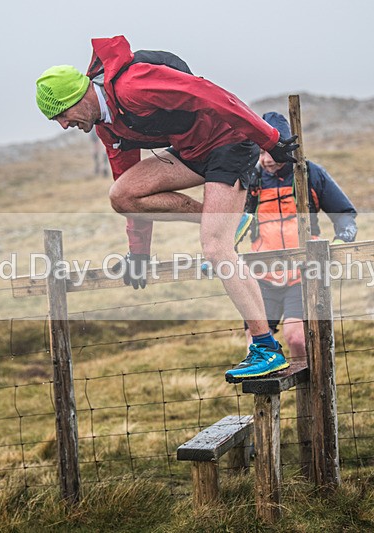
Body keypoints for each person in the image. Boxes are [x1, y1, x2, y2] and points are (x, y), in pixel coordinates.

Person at [35, 35, 299, 382]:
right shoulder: (108, 127)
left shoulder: (133, 85)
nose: (64, 125)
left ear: (76, 97)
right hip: (191, 152)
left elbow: (211, 94)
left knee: (216, 248)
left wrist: (269, 139)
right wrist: (139, 254)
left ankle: (266, 348)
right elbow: (130, 189)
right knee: (122, 194)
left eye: (62, 115)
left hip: (230, 143)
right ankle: (227, 221)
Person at [242, 112, 357, 360]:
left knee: (296, 338)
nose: (265, 160)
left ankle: (307, 394)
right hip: (262, 276)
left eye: (270, 152)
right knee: (255, 343)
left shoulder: (310, 174)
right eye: (260, 152)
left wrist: (338, 245)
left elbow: (345, 215)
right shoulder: (251, 179)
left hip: (302, 275)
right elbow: (232, 223)